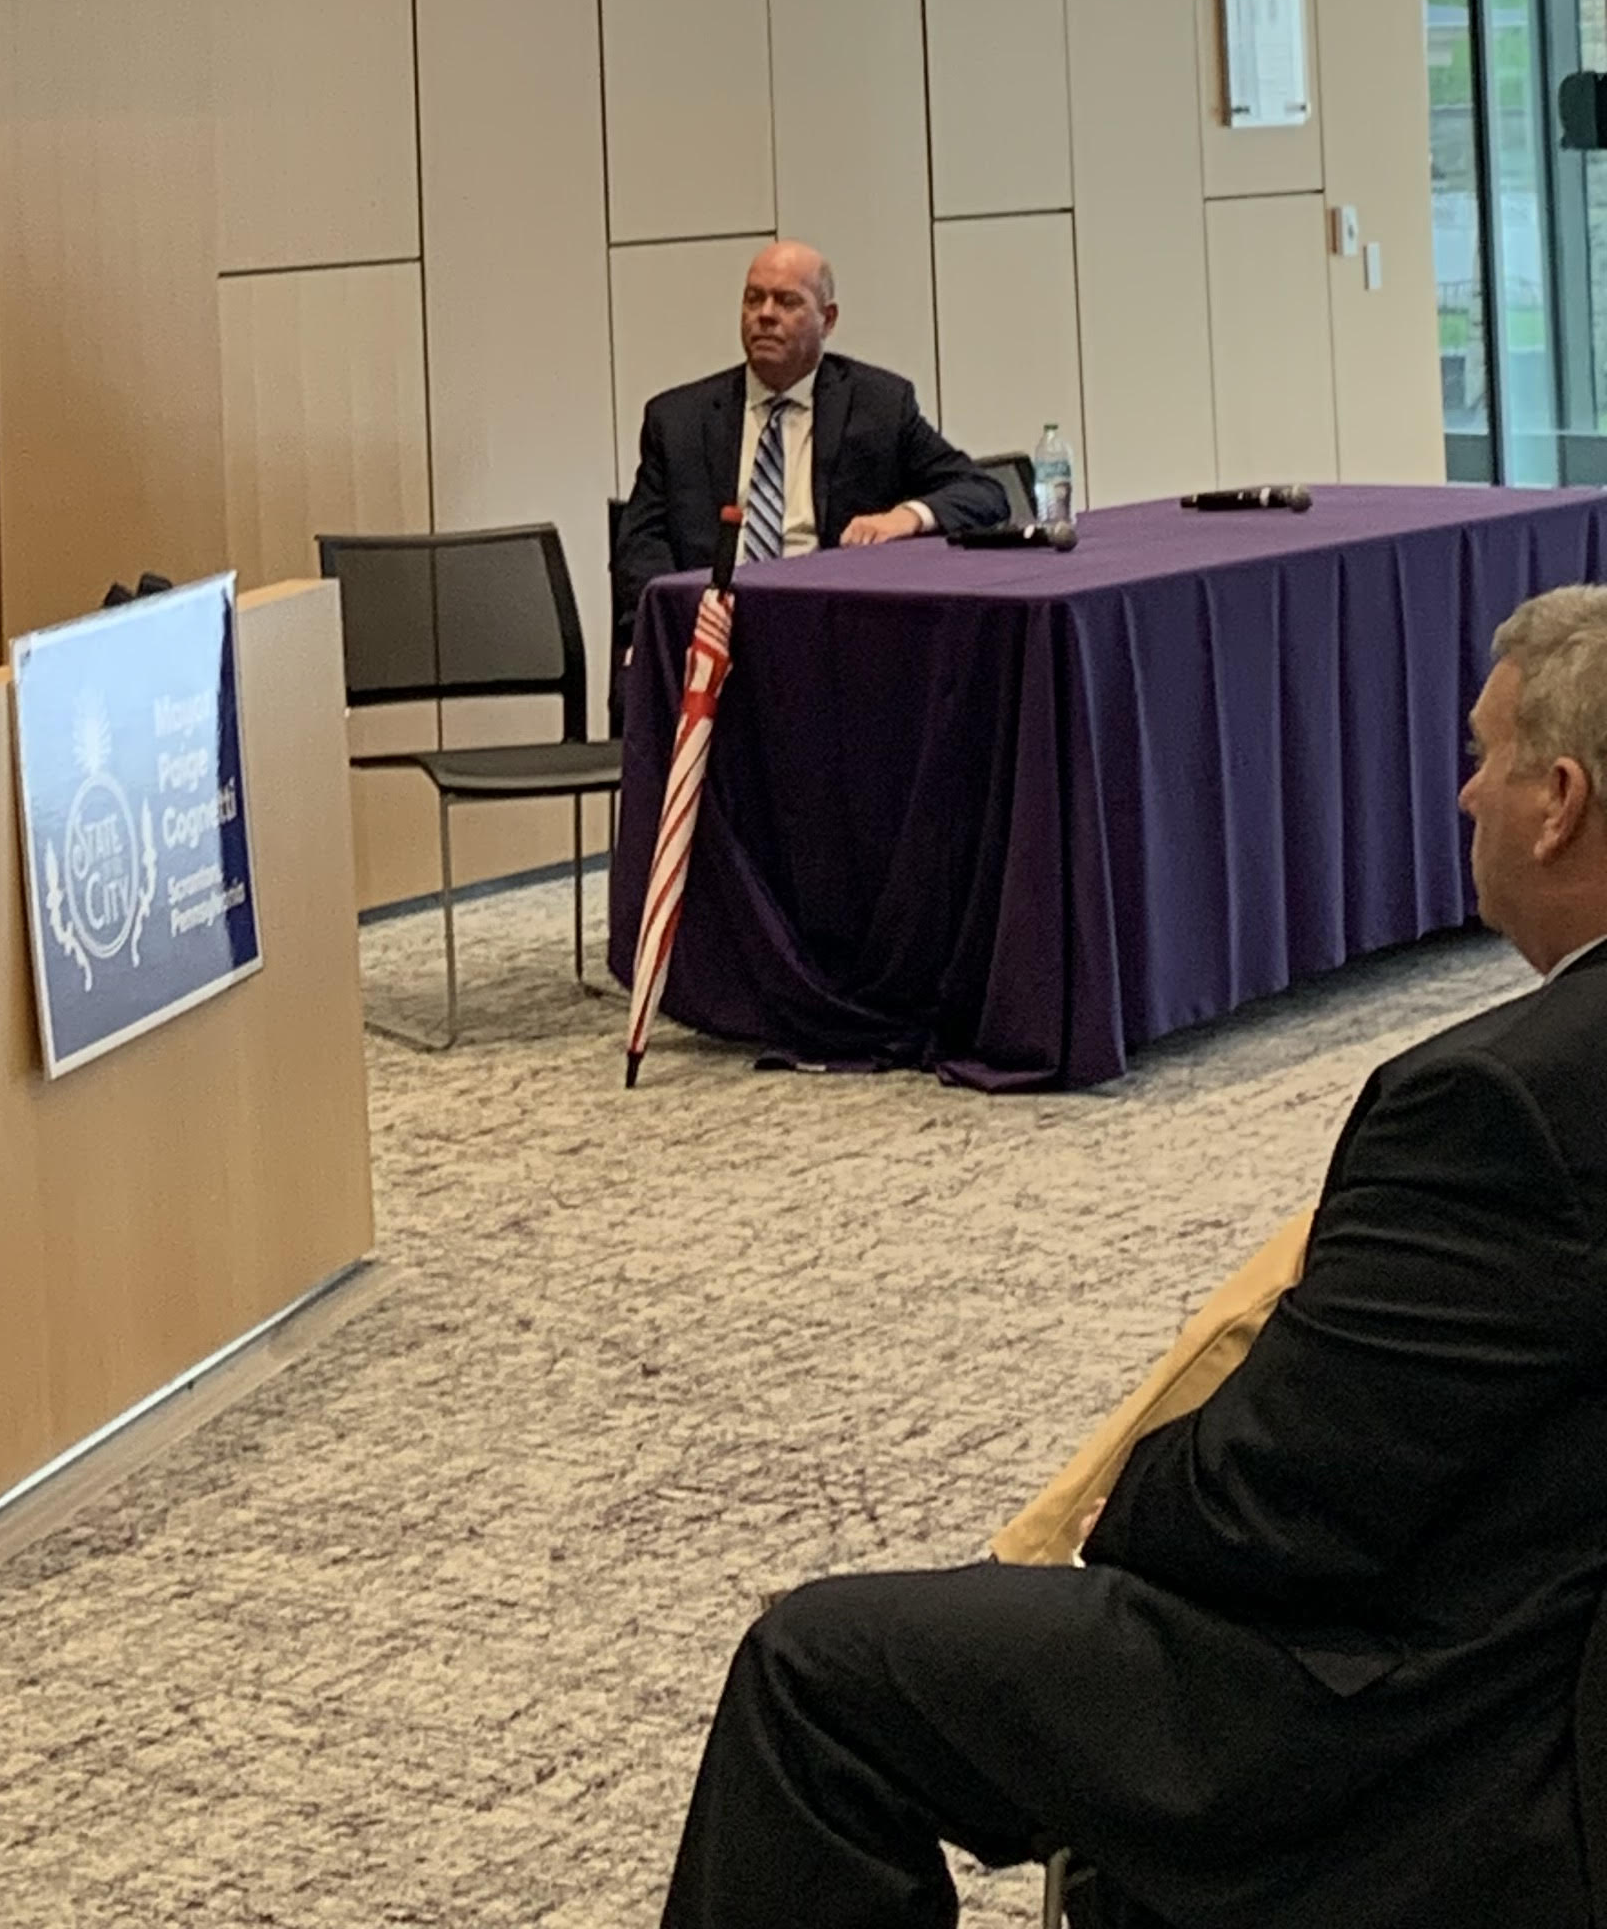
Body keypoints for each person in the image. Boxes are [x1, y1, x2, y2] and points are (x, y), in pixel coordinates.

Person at [657, 581, 1607, 1929]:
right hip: (1538, 1627)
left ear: (1559, 799)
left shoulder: (1495, 1105)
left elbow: (1284, 1506)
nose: (1466, 800)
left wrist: (1124, 1504)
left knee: (816, 1674)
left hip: (1430, 1723)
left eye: (1483, 757)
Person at [614, 241, 1001, 591]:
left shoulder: (878, 405)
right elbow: (640, 545)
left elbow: (981, 493)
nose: (765, 315)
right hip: (713, 630)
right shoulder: (679, 420)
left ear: (827, 320)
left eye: (787, 301)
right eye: (754, 299)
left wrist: (906, 517)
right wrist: (669, 621)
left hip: (830, 622)